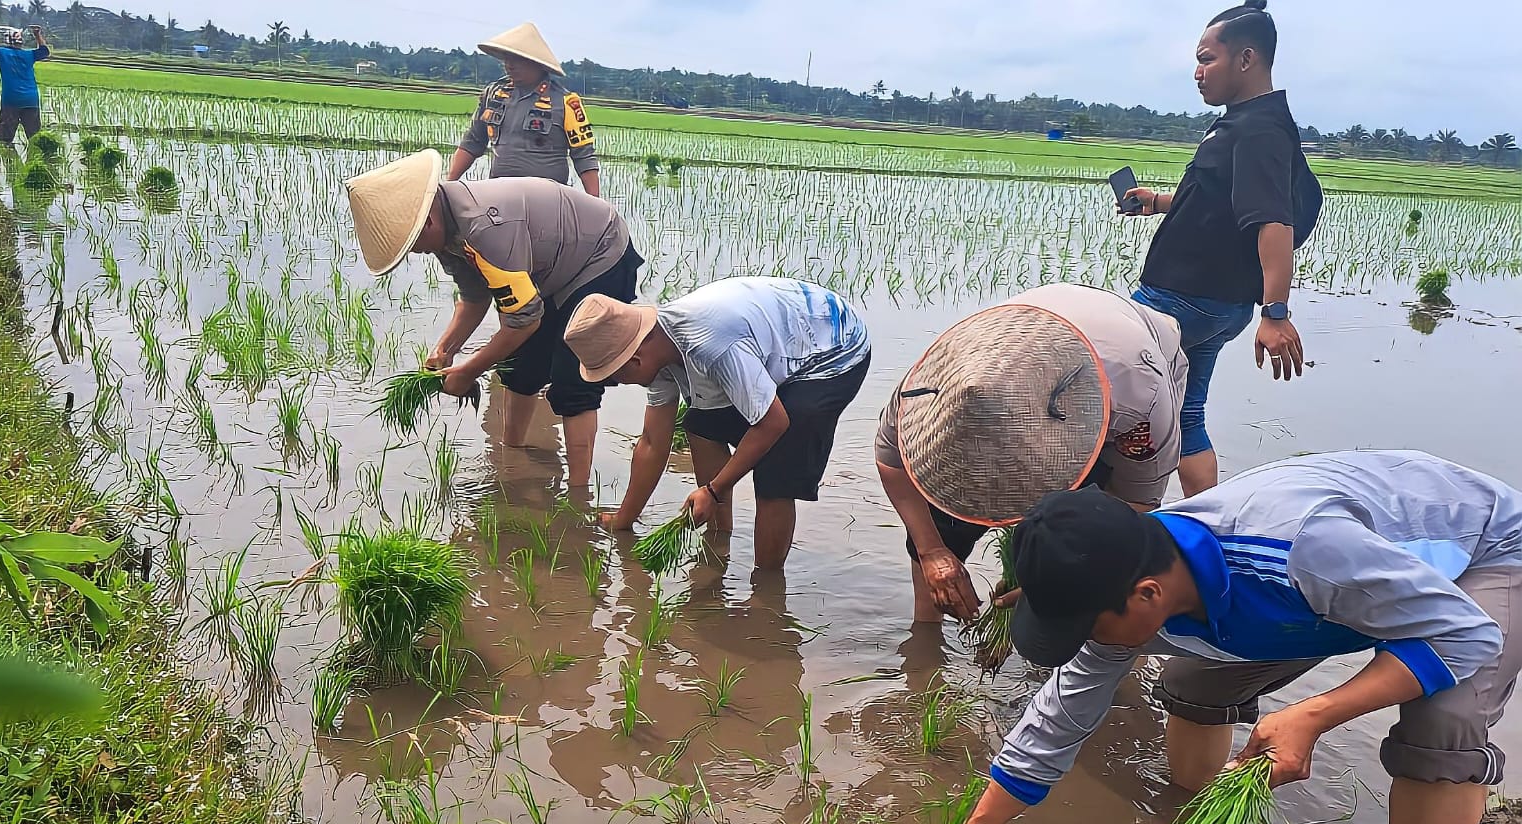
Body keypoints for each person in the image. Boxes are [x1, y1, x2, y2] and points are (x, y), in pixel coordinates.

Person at [932, 450, 1521, 824]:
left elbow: (1464, 634)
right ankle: (1191, 813)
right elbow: (1060, 719)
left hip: (1482, 555)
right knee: (1195, 682)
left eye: (1087, 627)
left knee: (1444, 718)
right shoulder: (1128, 579)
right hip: (1338, 597)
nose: (1088, 643)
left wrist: (1314, 714)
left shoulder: (1299, 550)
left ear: (1147, 595)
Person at [877, 284, 1187, 627]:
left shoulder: (1139, 403)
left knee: (1083, 538)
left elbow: (1132, 510)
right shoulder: (932, 387)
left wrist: (1053, 580)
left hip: (1130, 352)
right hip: (1018, 338)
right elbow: (893, 462)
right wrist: (932, 551)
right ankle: (926, 639)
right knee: (942, 522)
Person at [344, 150, 642, 488]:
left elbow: (524, 321)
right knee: (519, 368)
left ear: (428, 221)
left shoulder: (484, 228)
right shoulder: (448, 232)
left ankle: (578, 496)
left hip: (599, 255)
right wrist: (446, 350)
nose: (417, 251)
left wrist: (469, 370)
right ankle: (510, 460)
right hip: (548, 268)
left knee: (571, 379)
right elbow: (474, 297)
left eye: (414, 242)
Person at [1119, 0, 1319, 497]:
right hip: (1213, 304)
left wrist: (1276, 312)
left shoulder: (1258, 131)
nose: (1197, 72)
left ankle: (1120, 538)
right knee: (1186, 416)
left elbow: (1274, 220)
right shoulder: (1248, 122)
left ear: (1246, 60)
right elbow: (1227, 199)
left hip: (1181, 301)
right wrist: (1161, 201)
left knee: (1107, 400)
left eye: (1207, 59)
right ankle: (1207, 526)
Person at [564, 277, 871, 569]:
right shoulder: (658, 350)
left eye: (615, 375)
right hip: (777, 340)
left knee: (776, 469)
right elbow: (652, 443)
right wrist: (624, 520)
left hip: (834, 348)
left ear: (634, 360)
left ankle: (764, 588)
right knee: (701, 424)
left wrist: (713, 490)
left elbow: (772, 422)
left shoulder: (711, 345)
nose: (619, 383)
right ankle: (719, 536)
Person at [447, 23, 601, 198]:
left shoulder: (567, 102)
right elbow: (473, 142)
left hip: (547, 201)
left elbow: (584, 157)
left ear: (537, 63)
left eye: (517, 59)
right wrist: (448, 186)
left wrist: (597, 205)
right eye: (506, 58)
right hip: (499, 197)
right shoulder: (493, 94)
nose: (510, 65)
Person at [0, 24, 50, 146]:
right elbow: (45, 51)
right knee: (35, 139)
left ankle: (6, 161)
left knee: (3, 142)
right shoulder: (29, 55)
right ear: (21, 42)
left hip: (11, 100)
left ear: (7, 40)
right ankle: (38, 160)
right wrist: (37, 35)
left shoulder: (1, 53)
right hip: (31, 100)